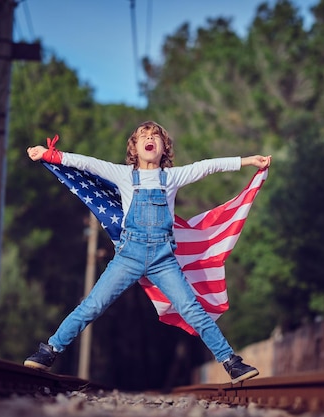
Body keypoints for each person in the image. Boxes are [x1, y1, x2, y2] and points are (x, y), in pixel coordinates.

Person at [24, 121, 271, 384]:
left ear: (164, 148)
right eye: (143, 136)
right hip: (128, 257)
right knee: (93, 305)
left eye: (155, 136)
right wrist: (50, 155)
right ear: (135, 148)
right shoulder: (123, 174)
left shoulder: (172, 177)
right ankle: (49, 351)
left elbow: (208, 166)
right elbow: (87, 163)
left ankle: (231, 363)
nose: (149, 138)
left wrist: (247, 161)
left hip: (163, 260)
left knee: (192, 309)